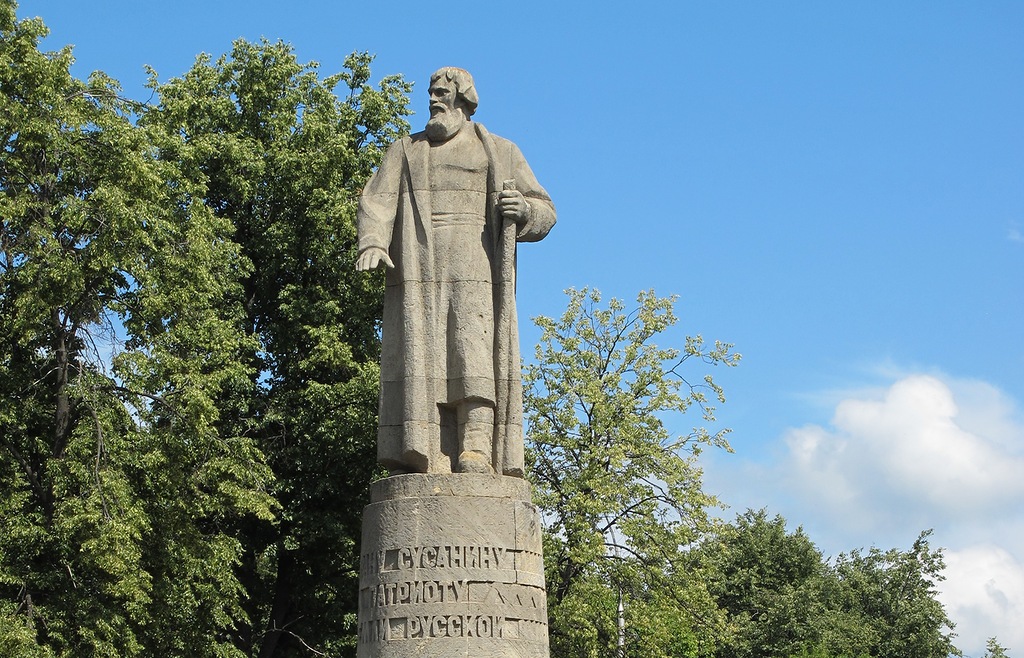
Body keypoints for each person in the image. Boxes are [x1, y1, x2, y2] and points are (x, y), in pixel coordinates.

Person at [356, 67, 555, 477]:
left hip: (475, 265)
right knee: (421, 361)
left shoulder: (498, 150)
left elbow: (545, 210)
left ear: (464, 100)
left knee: (473, 356)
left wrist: (525, 211)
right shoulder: (405, 151)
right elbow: (376, 200)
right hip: (418, 267)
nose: (433, 100)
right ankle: (426, 451)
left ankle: (476, 448)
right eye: (430, 93)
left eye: (442, 94)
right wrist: (374, 241)